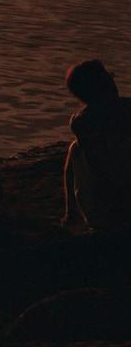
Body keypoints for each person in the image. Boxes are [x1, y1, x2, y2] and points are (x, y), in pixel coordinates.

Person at [62, 59, 131, 233]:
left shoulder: (82, 123)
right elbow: (102, 172)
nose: (113, 83)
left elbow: (97, 168)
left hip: (102, 212)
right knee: (75, 148)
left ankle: (72, 212)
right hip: (112, 211)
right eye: (109, 79)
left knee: (75, 148)